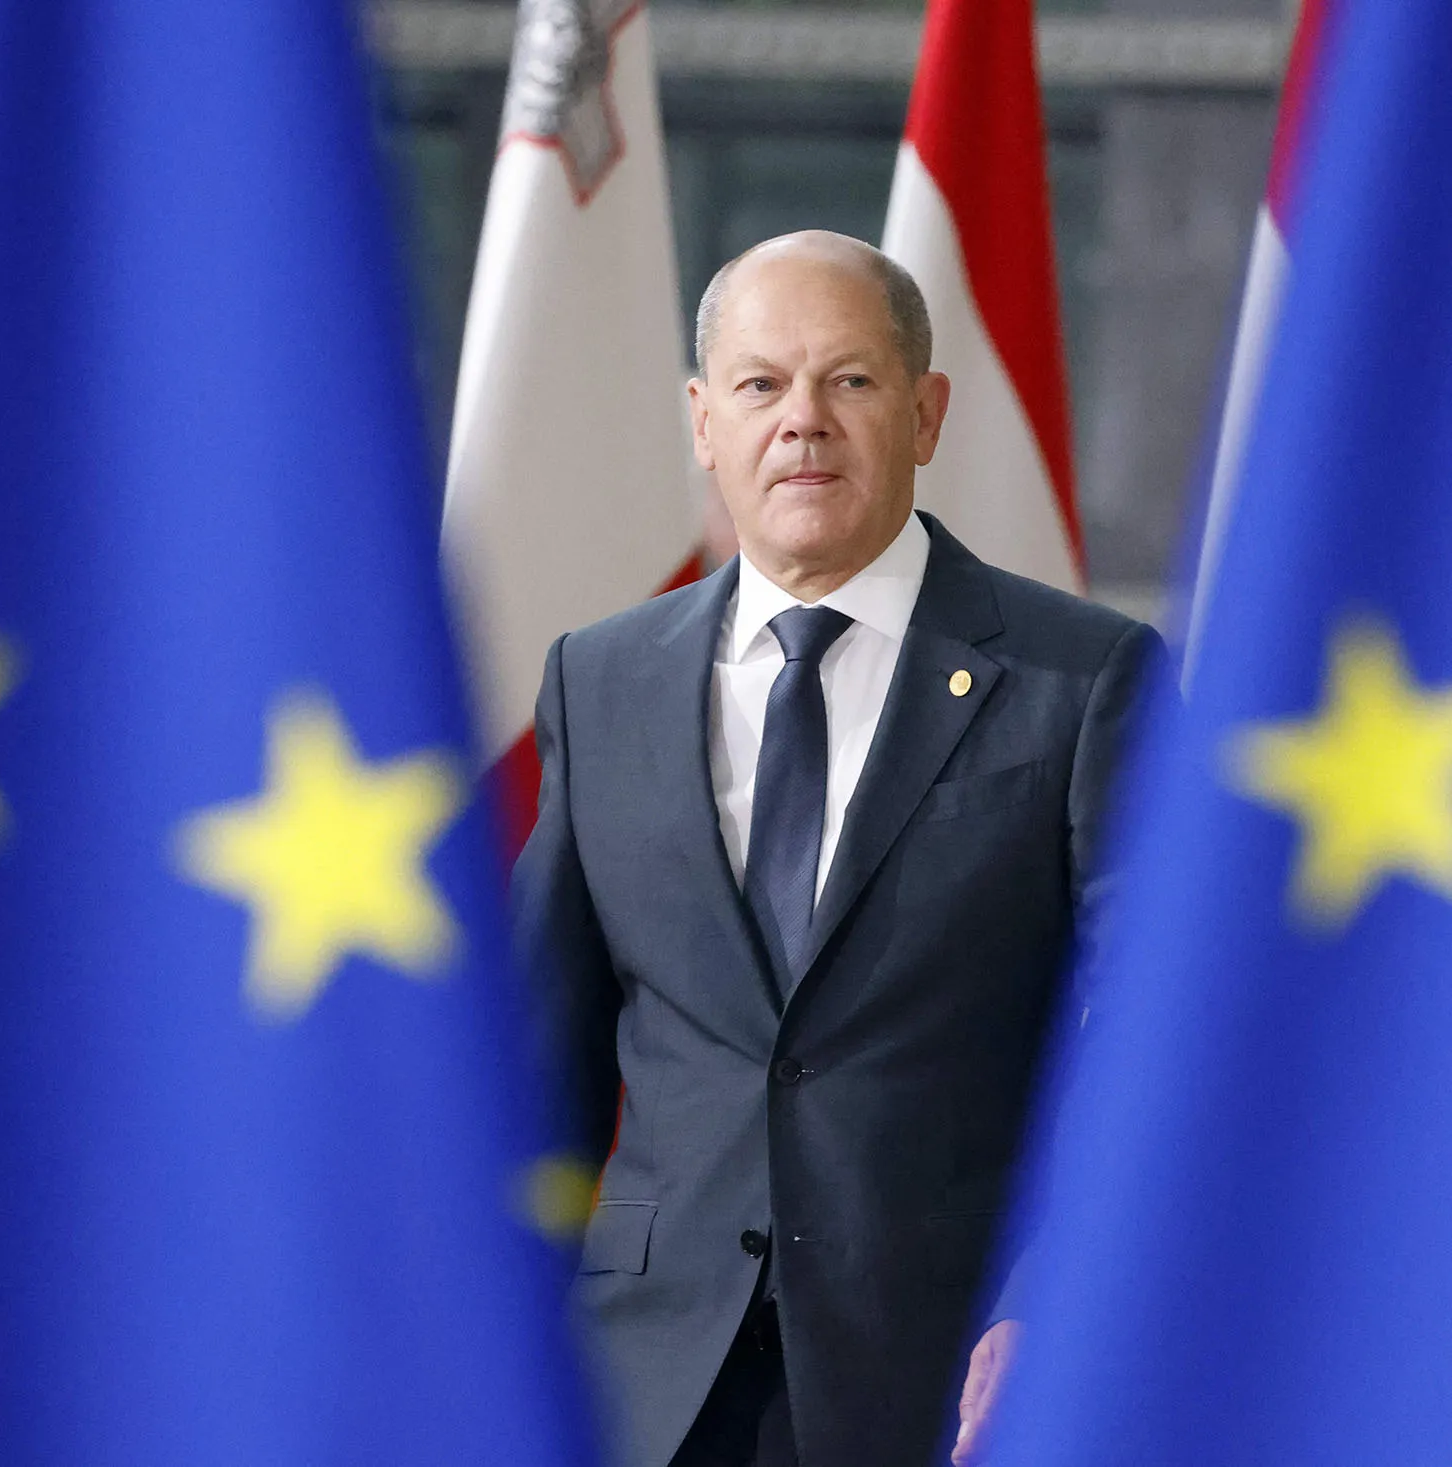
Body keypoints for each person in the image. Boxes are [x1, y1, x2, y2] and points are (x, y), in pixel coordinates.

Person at [515, 231, 1159, 1467]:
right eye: (760, 385)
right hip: (650, 1387)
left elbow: (1145, 1043)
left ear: (925, 413)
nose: (801, 421)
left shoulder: (1081, 680)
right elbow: (541, 1056)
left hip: (948, 1373)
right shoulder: (599, 683)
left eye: (849, 381)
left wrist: (1056, 1297)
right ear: (704, 422)